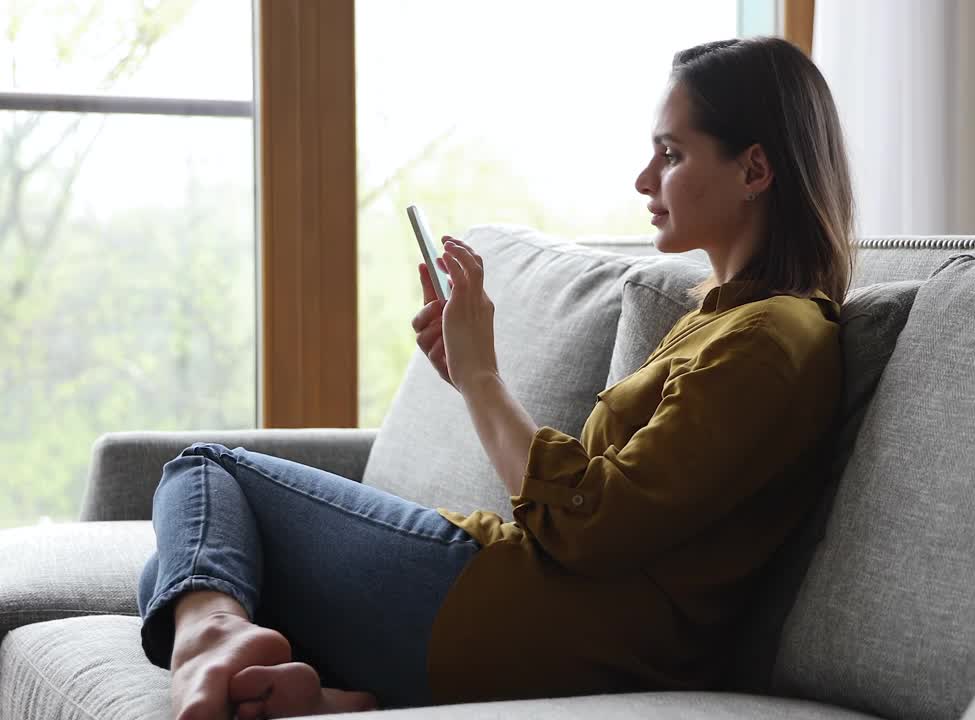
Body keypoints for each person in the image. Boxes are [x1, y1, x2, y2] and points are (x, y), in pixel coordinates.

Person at [136, 35, 854, 719]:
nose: (643, 179)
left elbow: (591, 525)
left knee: (203, 477)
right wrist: (471, 376)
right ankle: (329, 691)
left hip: (538, 627)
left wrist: (483, 378)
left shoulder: (769, 341)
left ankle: (217, 642)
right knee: (194, 569)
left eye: (670, 153)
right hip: (540, 619)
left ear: (755, 171)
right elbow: (613, 502)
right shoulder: (724, 318)